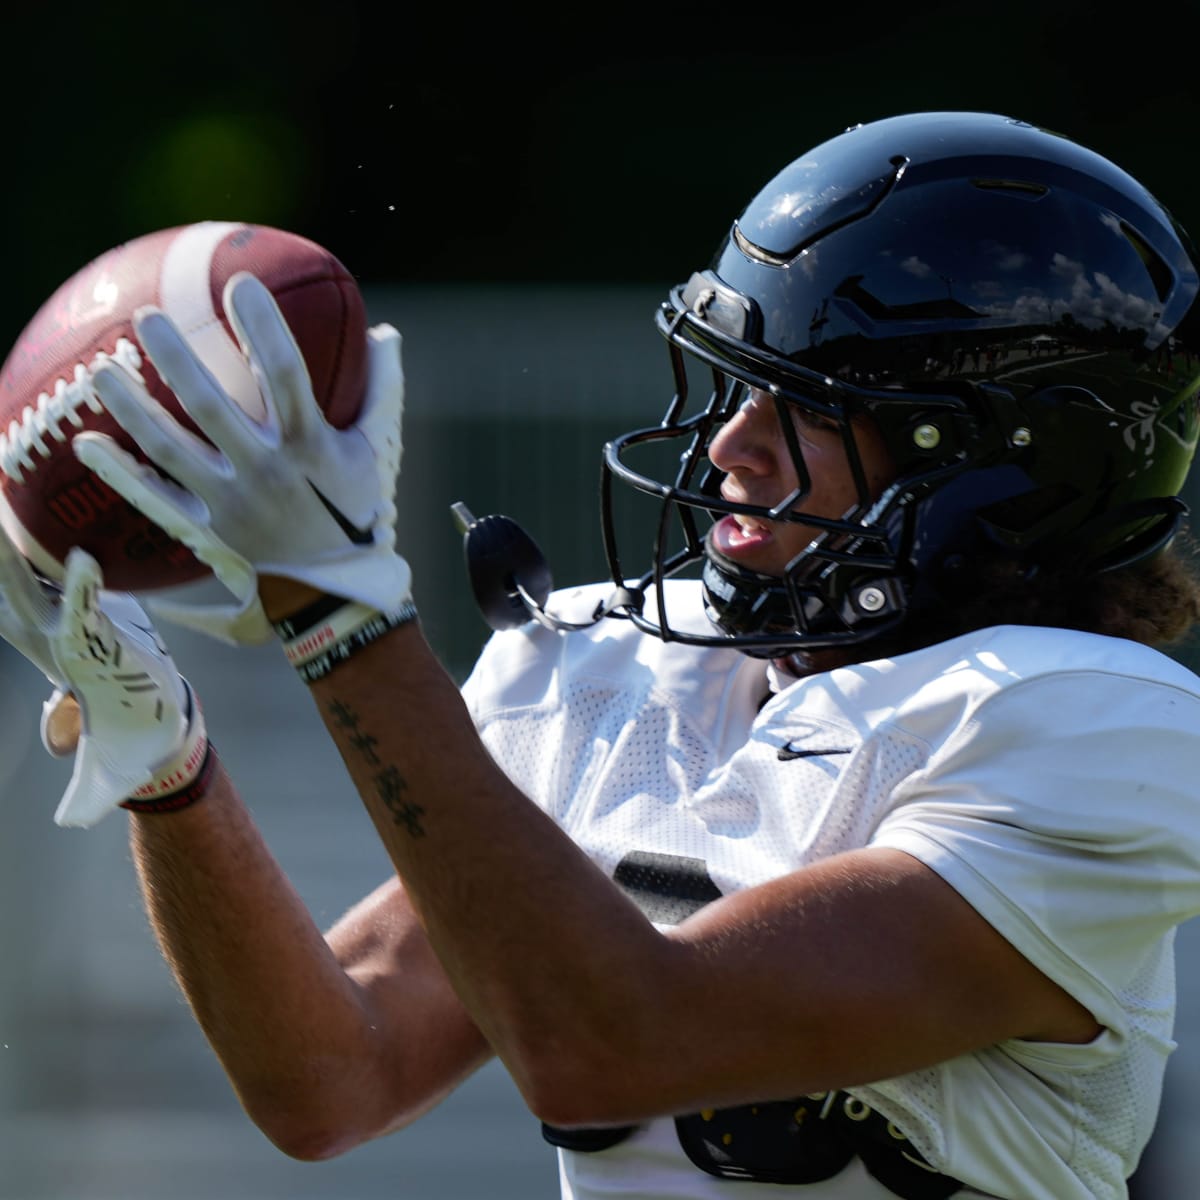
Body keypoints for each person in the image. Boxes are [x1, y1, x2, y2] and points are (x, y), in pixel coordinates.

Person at [2, 110, 1200, 1200]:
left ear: (993, 470)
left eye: (809, 407)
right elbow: (335, 1076)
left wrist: (340, 613)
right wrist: (162, 761)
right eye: (737, 386)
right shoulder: (613, 665)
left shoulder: (1103, 730)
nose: (732, 443)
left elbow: (615, 1046)